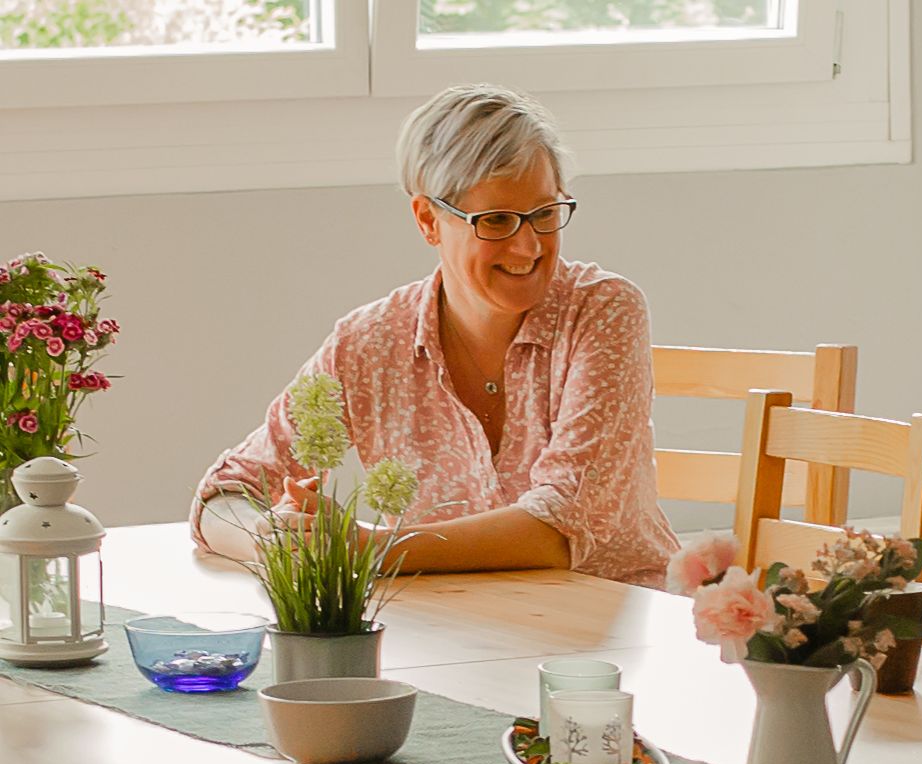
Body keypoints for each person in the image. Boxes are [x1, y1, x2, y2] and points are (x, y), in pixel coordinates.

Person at [191, 83, 680, 587]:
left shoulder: (603, 310)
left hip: (612, 635)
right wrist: (276, 538)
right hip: (447, 634)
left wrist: (363, 549)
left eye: (545, 214)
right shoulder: (369, 343)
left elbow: (559, 529)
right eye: (497, 221)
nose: (529, 245)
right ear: (429, 219)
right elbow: (226, 494)